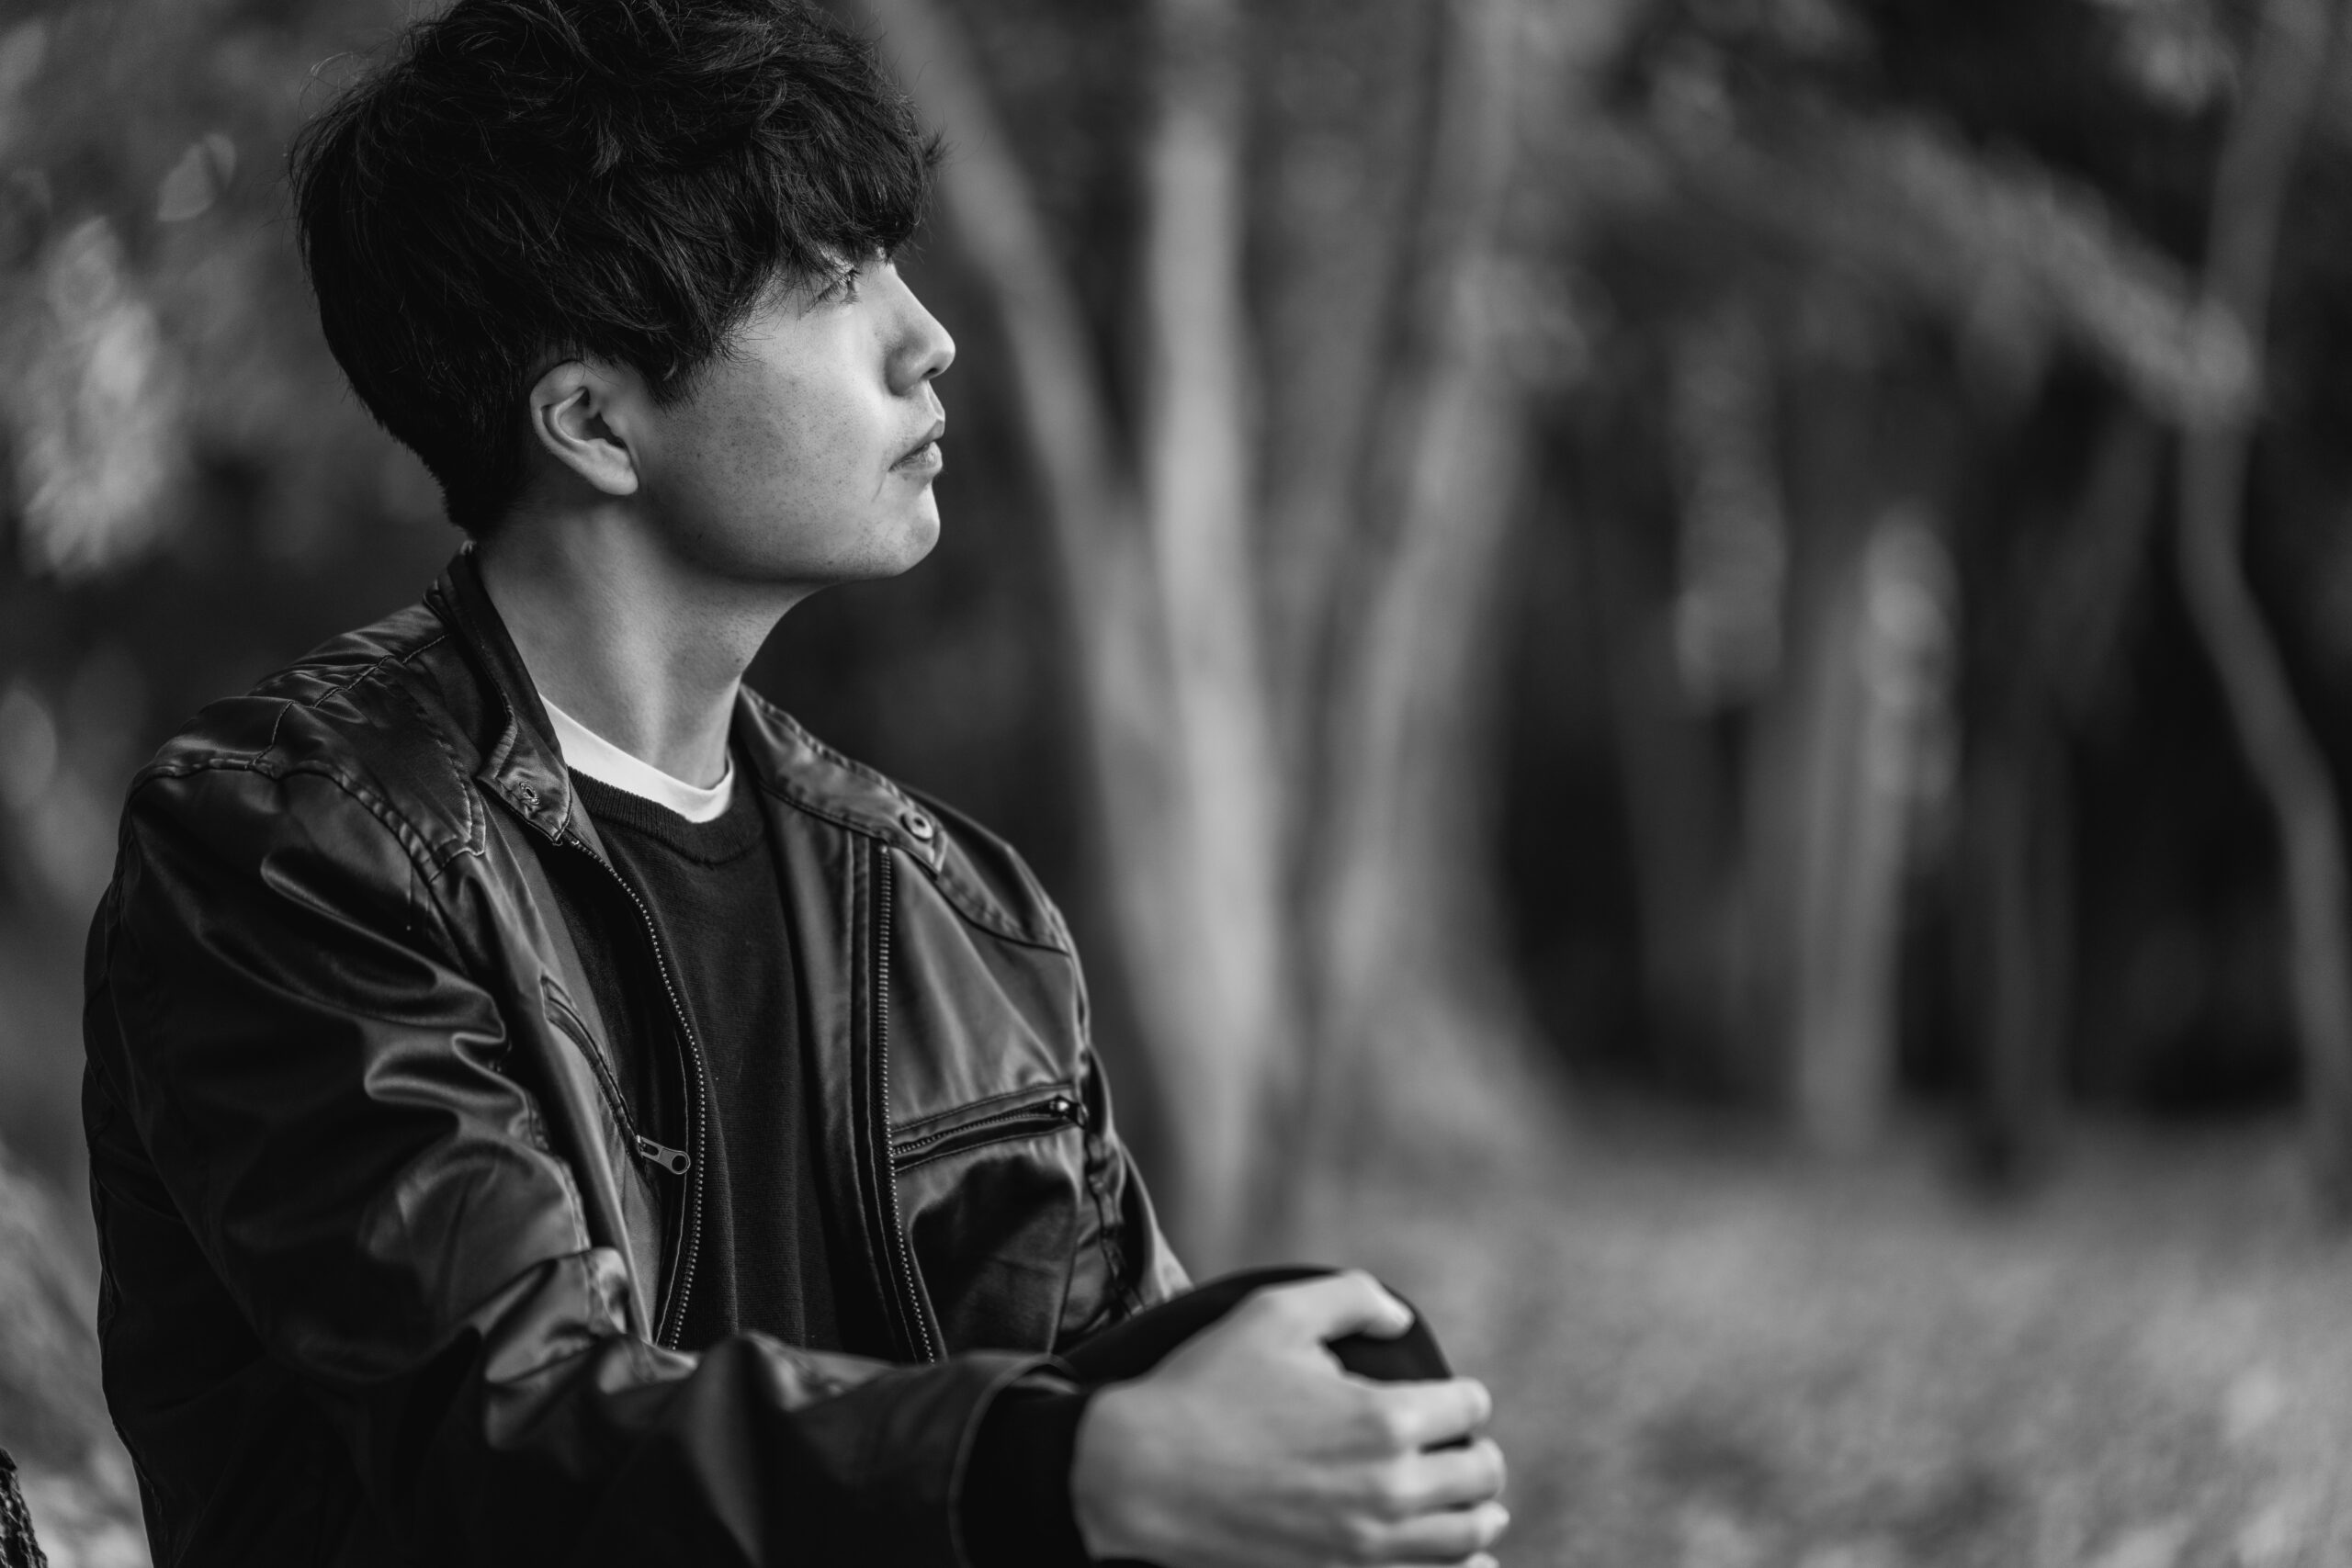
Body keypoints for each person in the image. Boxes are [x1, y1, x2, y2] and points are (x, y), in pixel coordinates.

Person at [78, 3, 1511, 1564]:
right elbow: (507, 1434)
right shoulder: (296, 850)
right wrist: (1067, 1470)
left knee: (1352, 1361)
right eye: (832, 285)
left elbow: (1135, 1397)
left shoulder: (954, 916)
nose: (924, 337)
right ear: (592, 424)